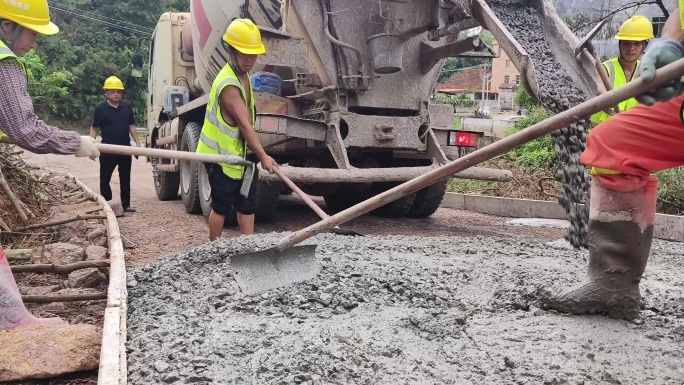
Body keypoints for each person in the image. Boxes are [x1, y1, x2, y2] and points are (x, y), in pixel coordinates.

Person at [541, 4, 684, 319]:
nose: (631, 48)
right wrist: (671, 44)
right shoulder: (611, 66)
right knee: (612, 144)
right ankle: (614, 285)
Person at [0, 0, 100, 330]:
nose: (35, 42)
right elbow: (24, 128)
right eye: (32, 33)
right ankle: (13, 323)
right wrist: (76, 143)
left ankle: (11, 317)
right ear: (6, 26)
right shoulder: (4, 62)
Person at [196, 18, 276, 241]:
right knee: (222, 205)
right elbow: (244, 123)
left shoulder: (244, 75)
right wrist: (263, 156)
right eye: (244, 53)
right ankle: (214, 247)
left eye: (253, 54)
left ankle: (247, 247)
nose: (250, 59)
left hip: (239, 152)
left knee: (247, 203)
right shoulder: (228, 85)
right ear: (231, 50)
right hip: (220, 156)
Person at [90, 76, 141, 213]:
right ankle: (106, 201)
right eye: (112, 91)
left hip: (125, 149)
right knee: (105, 177)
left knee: (125, 177)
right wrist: (91, 148)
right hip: (107, 150)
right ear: (106, 92)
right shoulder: (100, 109)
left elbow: (132, 126)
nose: (116, 94)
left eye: (118, 91)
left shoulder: (126, 108)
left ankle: (126, 205)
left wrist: (137, 144)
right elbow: (94, 128)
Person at [590, 16, 655, 124]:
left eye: (637, 43)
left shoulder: (646, 71)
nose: (631, 48)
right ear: (620, 44)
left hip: (628, 134)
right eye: (626, 43)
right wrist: (608, 100)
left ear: (644, 45)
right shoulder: (605, 68)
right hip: (599, 134)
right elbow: (601, 92)